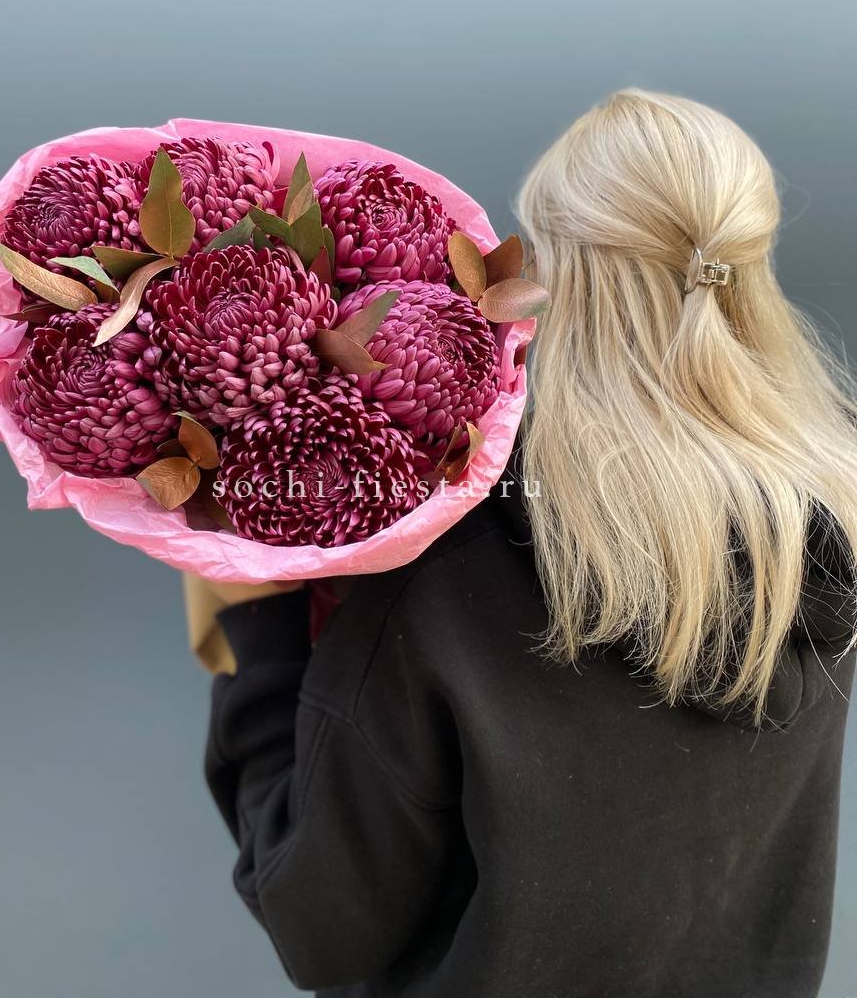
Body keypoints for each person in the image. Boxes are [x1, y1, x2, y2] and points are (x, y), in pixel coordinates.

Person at [202, 90, 857, 997]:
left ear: (552, 276)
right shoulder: (820, 532)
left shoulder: (447, 577)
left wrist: (255, 625)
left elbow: (318, 927)